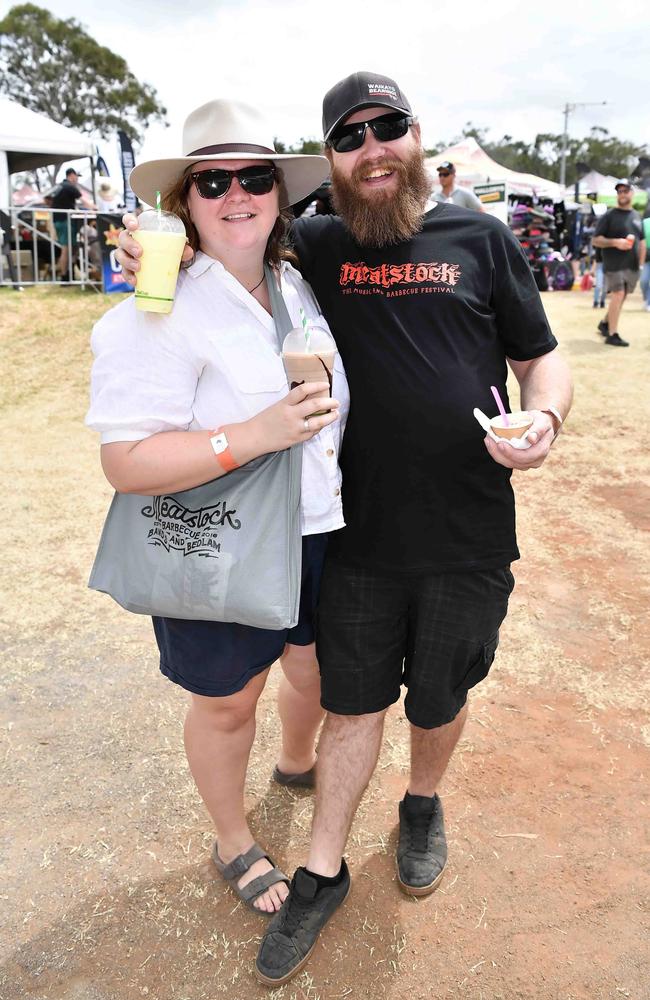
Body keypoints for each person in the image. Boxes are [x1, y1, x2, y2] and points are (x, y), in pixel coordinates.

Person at [116, 71, 573, 987]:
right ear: (328, 162)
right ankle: (323, 868)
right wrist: (152, 261)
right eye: (351, 135)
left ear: (415, 135)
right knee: (352, 702)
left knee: (441, 696)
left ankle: (422, 805)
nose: (372, 148)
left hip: (466, 530)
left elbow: (542, 358)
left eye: (388, 127)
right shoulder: (315, 247)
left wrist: (546, 420)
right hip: (350, 535)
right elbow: (212, 264)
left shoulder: (479, 236)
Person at [87, 98, 349, 917]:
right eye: (213, 181)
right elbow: (125, 463)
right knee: (230, 698)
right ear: (186, 203)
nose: (236, 194)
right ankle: (234, 839)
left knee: (311, 668)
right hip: (222, 541)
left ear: (279, 193)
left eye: (254, 177)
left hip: (317, 529)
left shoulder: (295, 282)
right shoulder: (156, 311)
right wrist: (254, 433)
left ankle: (297, 764)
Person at [592, 180, 646, 346]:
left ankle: (605, 323)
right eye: (619, 191)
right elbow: (596, 240)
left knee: (622, 297)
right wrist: (616, 242)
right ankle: (612, 334)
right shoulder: (609, 216)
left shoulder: (637, 216)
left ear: (631, 193)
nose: (622, 194)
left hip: (632, 265)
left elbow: (642, 241)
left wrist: (641, 264)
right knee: (618, 294)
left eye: (625, 191)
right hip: (613, 264)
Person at [51, 166, 82, 279]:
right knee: (66, 249)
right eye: (76, 176)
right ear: (71, 175)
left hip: (59, 220)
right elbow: (84, 200)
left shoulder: (59, 186)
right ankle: (64, 276)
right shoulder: (69, 186)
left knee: (71, 248)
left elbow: (47, 199)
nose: (77, 179)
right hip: (65, 221)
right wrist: (95, 207)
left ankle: (68, 274)